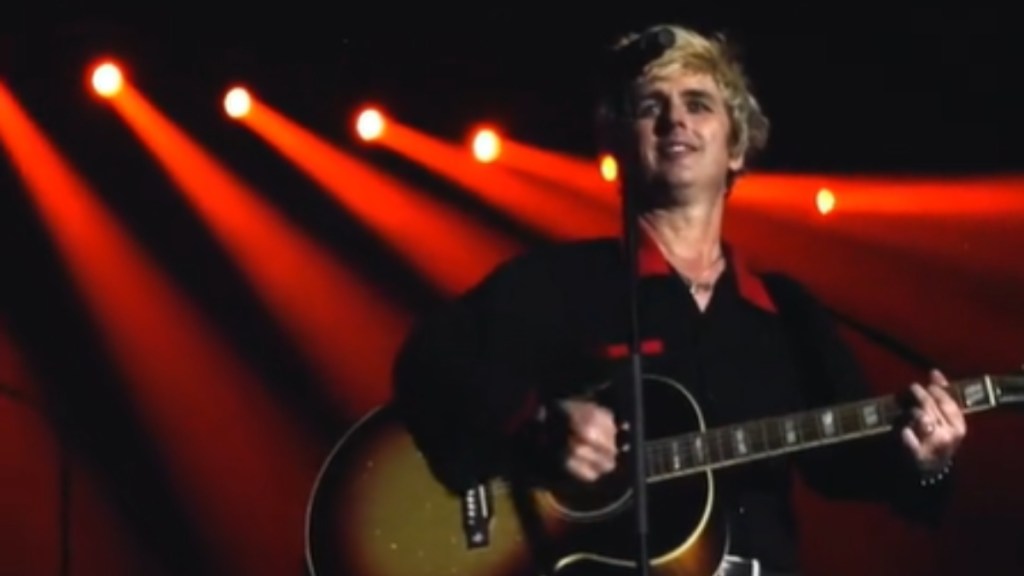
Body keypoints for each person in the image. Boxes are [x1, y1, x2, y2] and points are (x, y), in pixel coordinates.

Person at [391, 23, 966, 575]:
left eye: (698, 103)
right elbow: (429, 359)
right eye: (649, 106)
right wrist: (535, 422)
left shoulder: (787, 314)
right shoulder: (562, 281)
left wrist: (928, 463)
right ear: (618, 142)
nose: (674, 120)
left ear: (735, 148)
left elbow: (847, 469)